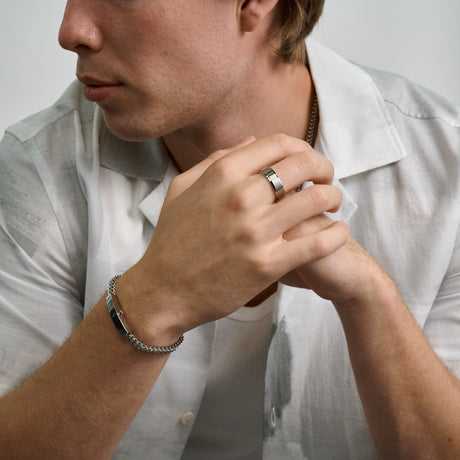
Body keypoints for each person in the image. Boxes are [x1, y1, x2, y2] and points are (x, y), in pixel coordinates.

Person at [0, 0, 459, 458]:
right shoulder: (40, 166)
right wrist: (155, 298)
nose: (71, 32)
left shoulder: (446, 167)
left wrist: (373, 300)